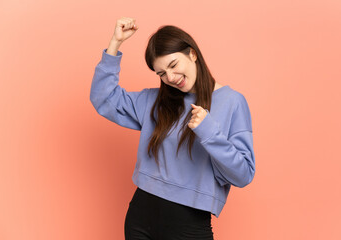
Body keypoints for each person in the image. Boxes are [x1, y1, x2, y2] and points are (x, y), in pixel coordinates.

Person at [90, 17, 255, 240]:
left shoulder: (232, 102)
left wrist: (209, 132)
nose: (170, 77)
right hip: (141, 215)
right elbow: (104, 99)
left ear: (192, 54)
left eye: (173, 65)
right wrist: (115, 44)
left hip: (189, 223)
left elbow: (243, 174)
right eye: (161, 73)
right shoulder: (155, 101)